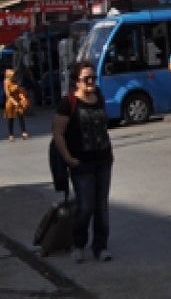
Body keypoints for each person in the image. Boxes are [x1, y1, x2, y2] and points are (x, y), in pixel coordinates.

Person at [53, 61, 115, 262]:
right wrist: (69, 158)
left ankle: (101, 247)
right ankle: (78, 244)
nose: (90, 82)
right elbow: (58, 134)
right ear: (76, 81)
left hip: (103, 160)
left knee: (101, 206)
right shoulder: (68, 103)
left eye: (93, 78)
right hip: (81, 164)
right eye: (86, 79)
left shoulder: (99, 98)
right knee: (86, 206)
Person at [4, 68, 30, 140]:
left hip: (18, 101)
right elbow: (8, 95)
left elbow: (20, 91)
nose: (14, 77)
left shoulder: (16, 82)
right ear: (9, 76)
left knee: (21, 117)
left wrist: (23, 98)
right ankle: (11, 134)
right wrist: (14, 103)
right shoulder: (6, 82)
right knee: (11, 118)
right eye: (13, 75)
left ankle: (24, 132)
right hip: (10, 102)